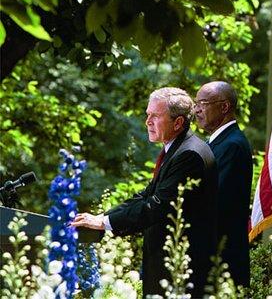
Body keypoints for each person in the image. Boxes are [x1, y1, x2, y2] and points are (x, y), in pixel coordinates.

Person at [72, 87, 218, 298]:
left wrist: (104, 223)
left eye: (155, 116)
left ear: (177, 123)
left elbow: (157, 205)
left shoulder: (190, 154)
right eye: (148, 115)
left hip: (180, 270)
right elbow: (147, 194)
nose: (147, 121)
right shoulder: (178, 148)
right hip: (169, 267)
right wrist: (103, 218)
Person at [194, 81, 253, 287]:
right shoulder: (218, 143)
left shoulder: (232, 145)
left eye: (202, 103)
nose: (196, 110)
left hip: (223, 257)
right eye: (195, 104)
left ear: (224, 107)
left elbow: (215, 199)